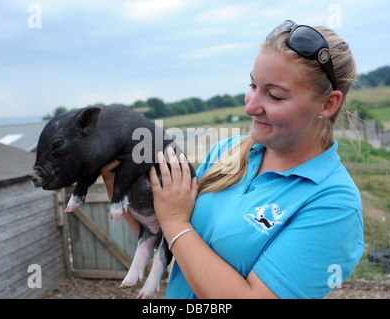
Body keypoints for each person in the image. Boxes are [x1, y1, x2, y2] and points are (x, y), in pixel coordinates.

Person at [101, 20, 364, 299]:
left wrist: (177, 223)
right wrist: (116, 179)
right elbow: (170, 240)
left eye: (274, 95)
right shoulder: (226, 152)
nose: (250, 106)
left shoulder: (334, 204)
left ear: (327, 104)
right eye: (252, 85)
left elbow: (178, 230)